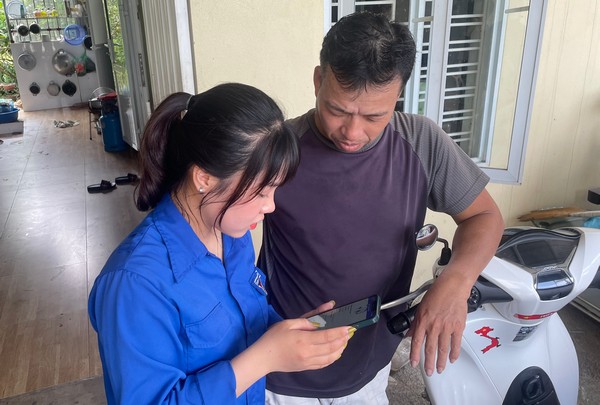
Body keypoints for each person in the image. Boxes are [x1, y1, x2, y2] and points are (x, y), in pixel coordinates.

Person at [258, 12, 505, 404]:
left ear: (399, 93)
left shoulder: (421, 142)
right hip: (280, 374)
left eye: (374, 116)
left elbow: (484, 216)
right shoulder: (278, 150)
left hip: (369, 368)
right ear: (318, 81)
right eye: (338, 110)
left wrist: (457, 281)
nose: (353, 132)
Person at [88, 83, 354, 404]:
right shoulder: (134, 284)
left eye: (275, 190)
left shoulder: (232, 234)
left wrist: (289, 335)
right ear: (204, 178)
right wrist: (266, 357)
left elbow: (243, 322)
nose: (271, 206)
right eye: (261, 192)